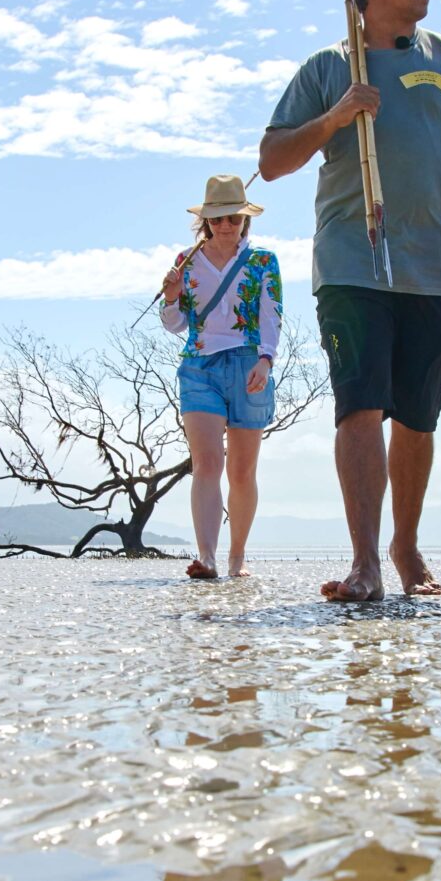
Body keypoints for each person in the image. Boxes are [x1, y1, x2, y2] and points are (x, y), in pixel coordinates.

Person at [258, 0, 441, 602]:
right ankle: (365, 562)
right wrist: (336, 117)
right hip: (353, 262)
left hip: (437, 266)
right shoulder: (328, 68)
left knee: (418, 416)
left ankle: (405, 543)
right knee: (361, 405)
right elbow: (272, 162)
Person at [157, 174, 283, 580]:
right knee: (207, 462)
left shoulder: (264, 261)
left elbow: (272, 316)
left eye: (233, 217)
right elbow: (174, 323)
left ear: (245, 219)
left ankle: (237, 556)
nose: (225, 225)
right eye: (217, 218)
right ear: (205, 221)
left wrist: (265, 361)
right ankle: (207, 556)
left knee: (242, 470)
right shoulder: (186, 260)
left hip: (248, 363)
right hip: (199, 366)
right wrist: (172, 295)